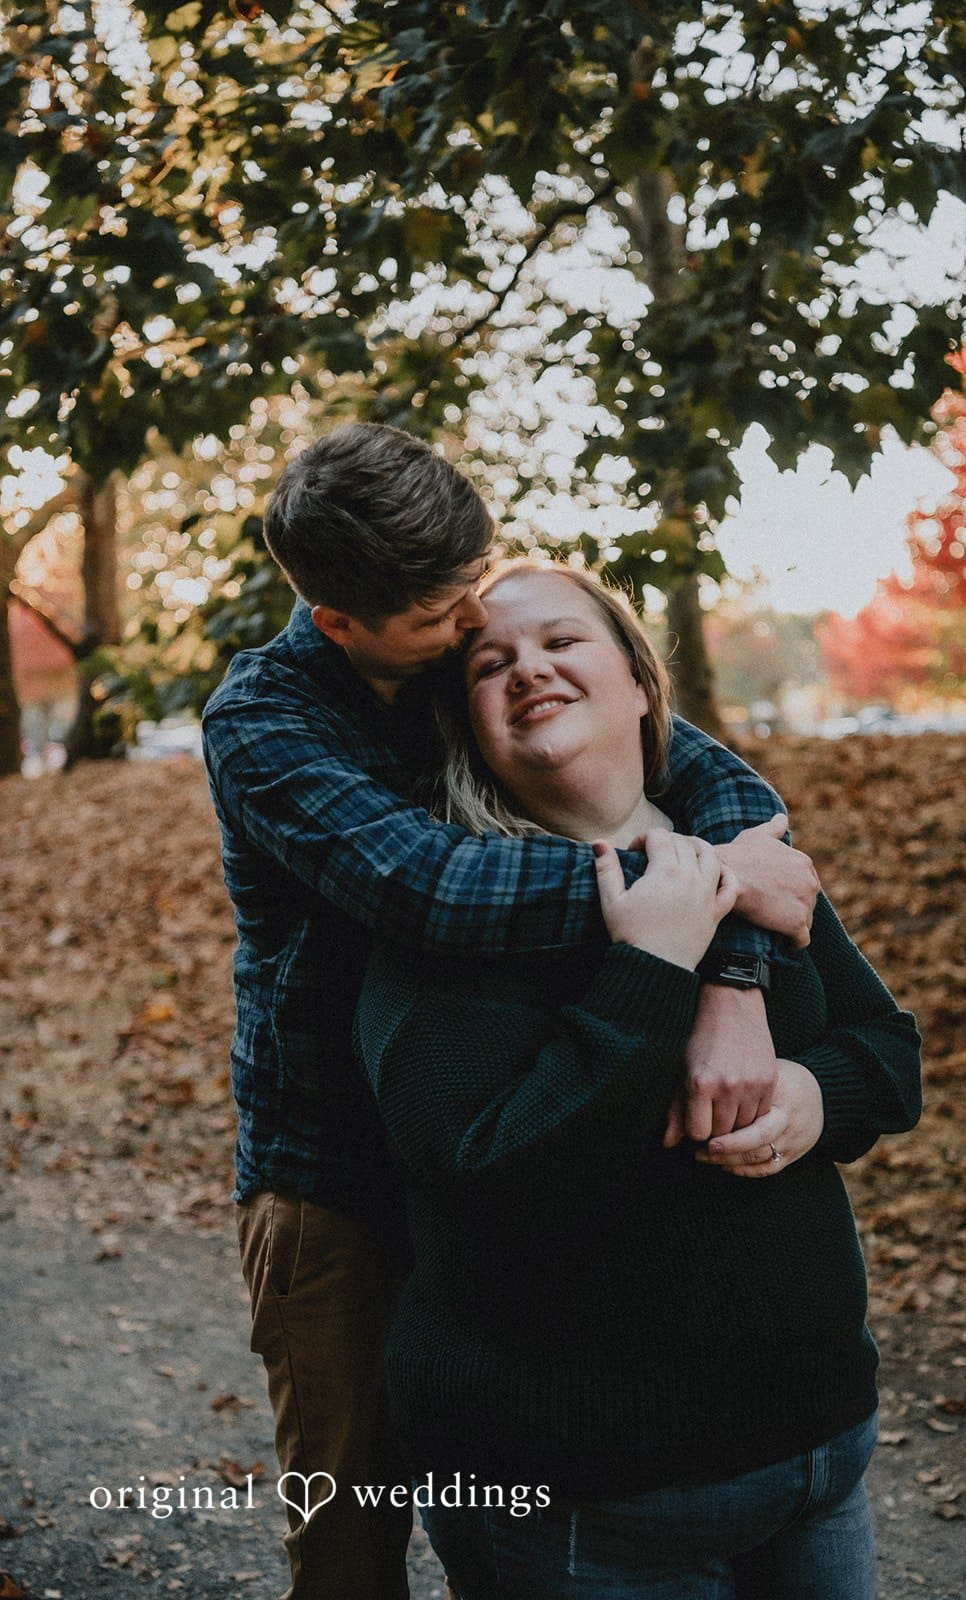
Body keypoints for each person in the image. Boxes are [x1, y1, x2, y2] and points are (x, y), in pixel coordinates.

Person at [200, 423, 820, 1600]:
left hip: (502, 1135)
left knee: (524, 1500)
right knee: (352, 1528)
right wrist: (698, 891)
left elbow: (718, 786)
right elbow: (429, 888)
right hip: (339, 1177)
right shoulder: (264, 719)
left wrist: (731, 980)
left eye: (473, 578)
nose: (475, 619)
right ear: (340, 620)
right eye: (444, 611)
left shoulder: (466, 637)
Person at [357, 560, 923, 1600]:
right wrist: (650, 964)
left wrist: (808, 1096)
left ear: (636, 680)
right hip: (579, 1503)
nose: (529, 667)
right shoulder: (449, 919)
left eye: (561, 641)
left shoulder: (747, 863)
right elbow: (497, 1182)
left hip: (815, 1454)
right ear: (466, 720)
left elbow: (886, 1052)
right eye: (492, 661)